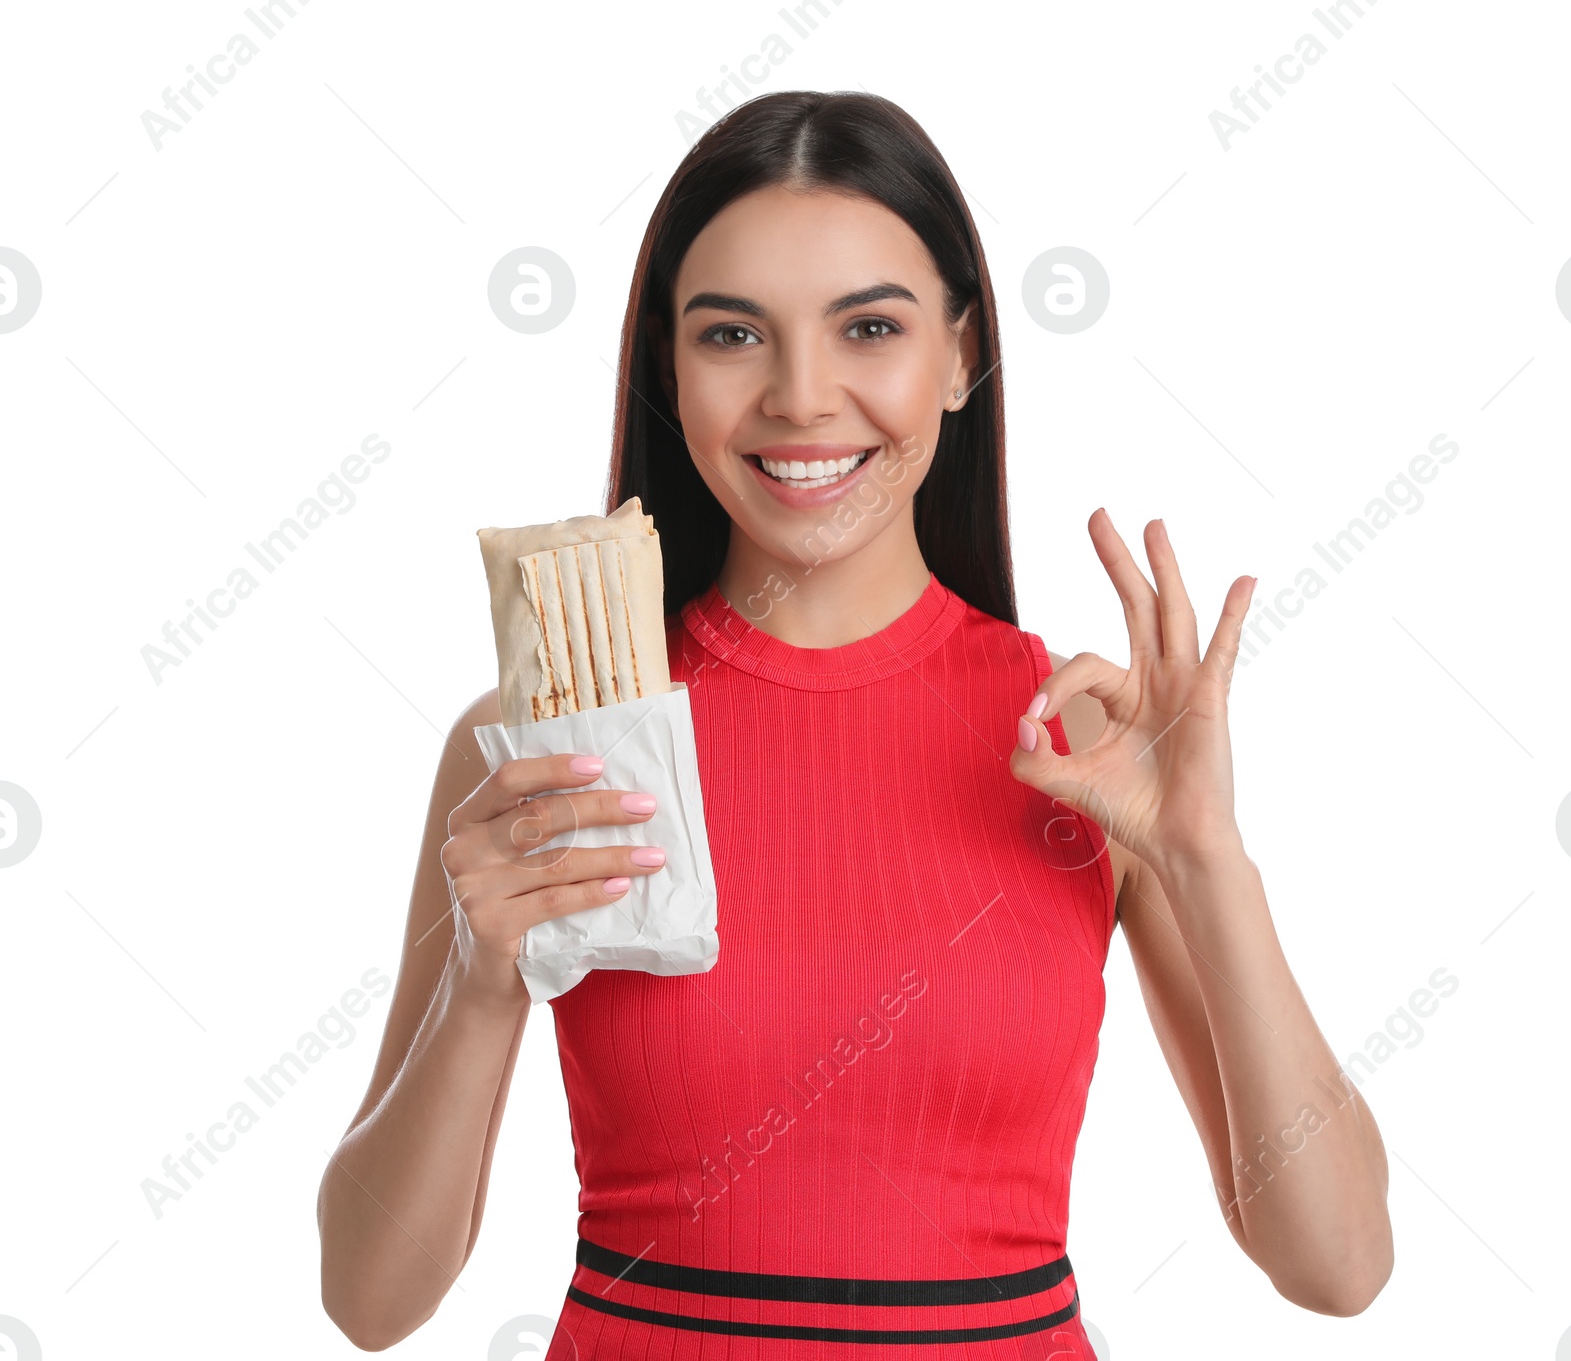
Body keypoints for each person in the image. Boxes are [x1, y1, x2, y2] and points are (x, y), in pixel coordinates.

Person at [317, 91, 1394, 1355]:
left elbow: (1337, 1267)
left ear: (958, 354)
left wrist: (1206, 859)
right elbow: (369, 1300)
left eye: (868, 327)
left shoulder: (1090, 746)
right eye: (732, 335)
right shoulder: (545, 741)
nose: (801, 396)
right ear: (669, 369)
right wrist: (486, 983)